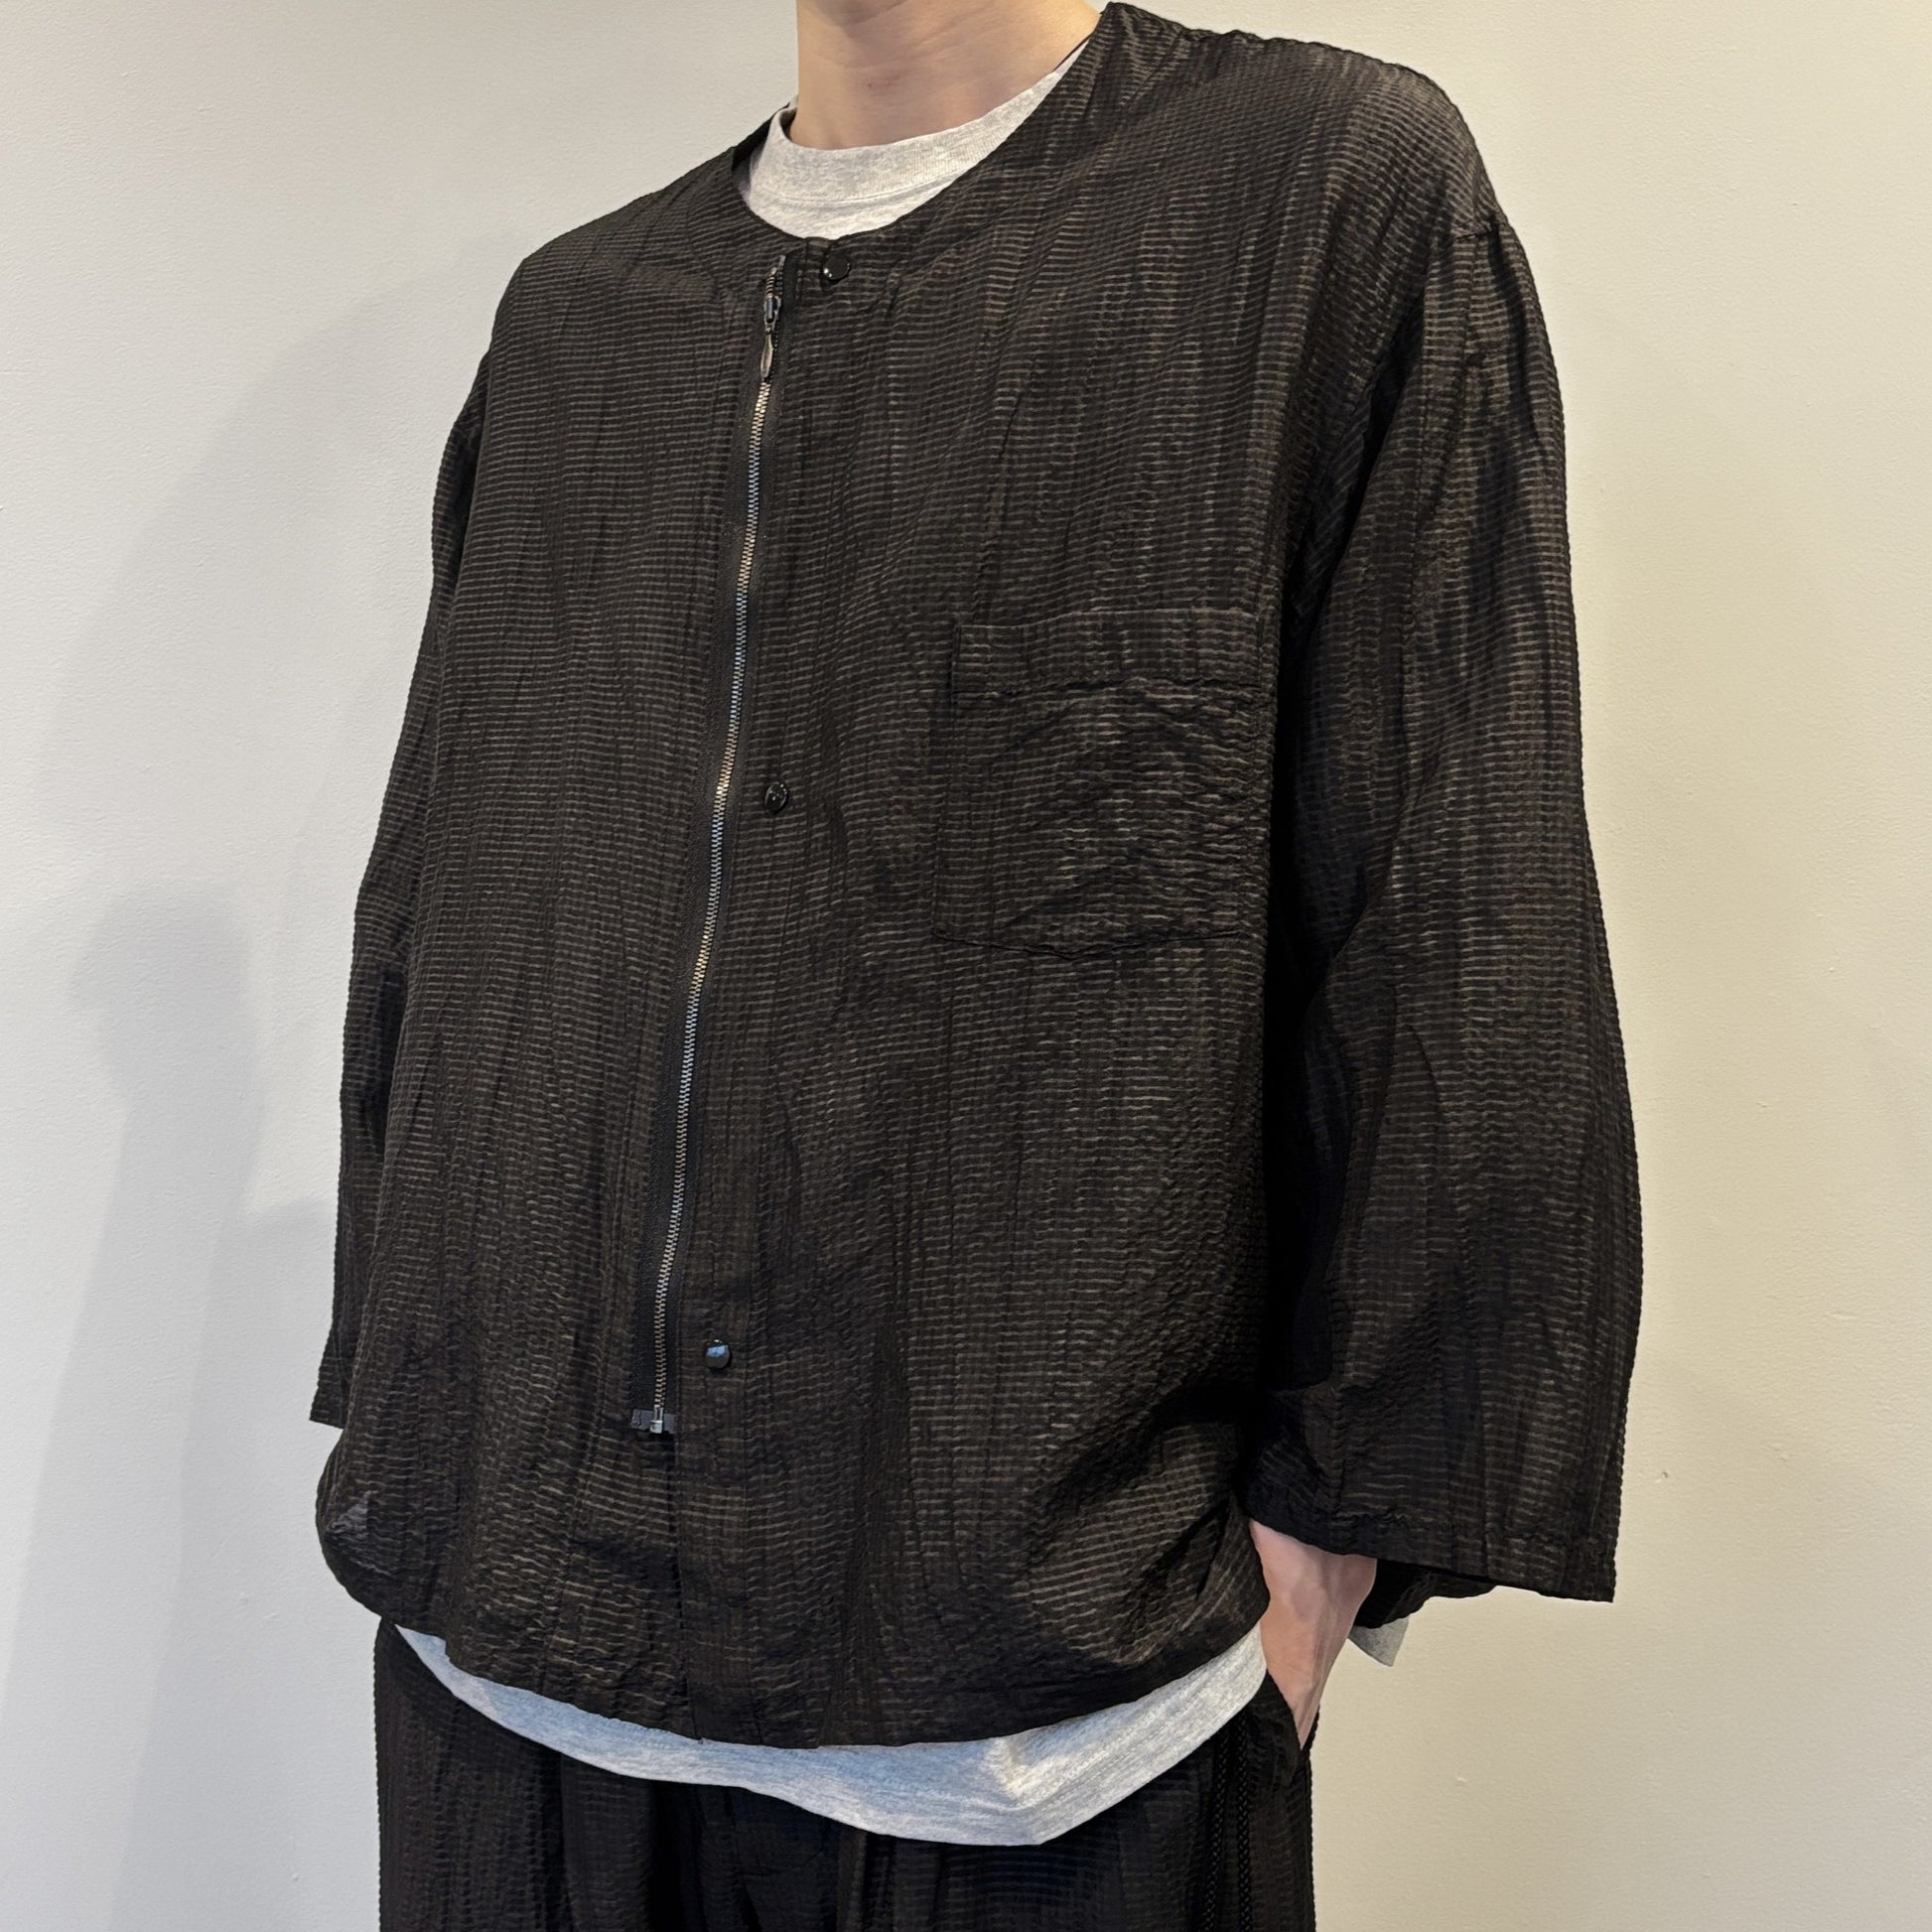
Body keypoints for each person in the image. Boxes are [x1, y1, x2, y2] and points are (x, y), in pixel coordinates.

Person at [310, 3, 1643, 1926]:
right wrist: (400, 1381)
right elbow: (447, 911)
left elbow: (1453, 889)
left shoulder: (1308, 187)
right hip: (504, 1667)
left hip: (1056, 1724)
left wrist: (1336, 1539)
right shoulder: (582, 318)